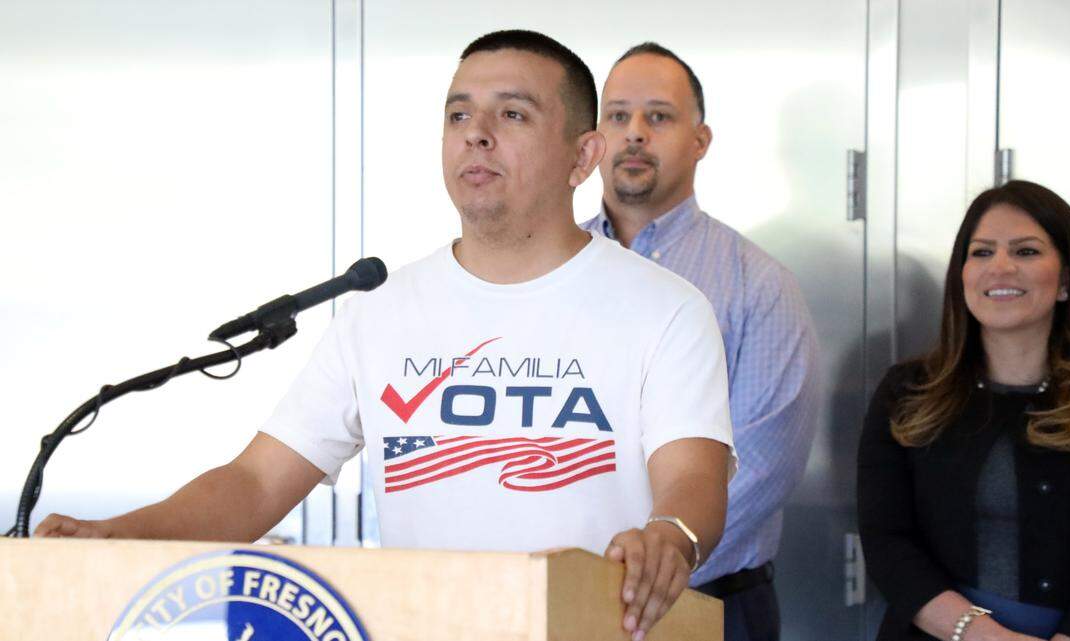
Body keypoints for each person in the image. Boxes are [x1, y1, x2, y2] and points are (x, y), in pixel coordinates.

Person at [35, 30, 737, 640]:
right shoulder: (381, 311)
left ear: (583, 156)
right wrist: (120, 534)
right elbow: (254, 483)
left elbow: (692, 478)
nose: (476, 133)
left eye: (512, 114)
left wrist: (669, 536)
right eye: (458, 113)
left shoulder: (665, 309)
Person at [580, 42, 820, 641]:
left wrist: (645, 562)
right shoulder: (547, 270)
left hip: (712, 604)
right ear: (591, 139)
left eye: (658, 117)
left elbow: (764, 463)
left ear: (700, 139)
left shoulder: (756, 282)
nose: (634, 133)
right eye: (617, 116)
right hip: (566, 594)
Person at [858, 180, 1070, 641]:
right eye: (982, 252)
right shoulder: (907, 392)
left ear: (1066, 279)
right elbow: (887, 543)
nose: (1001, 268)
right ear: (962, 274)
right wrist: (984, 637)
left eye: (1026, 252)